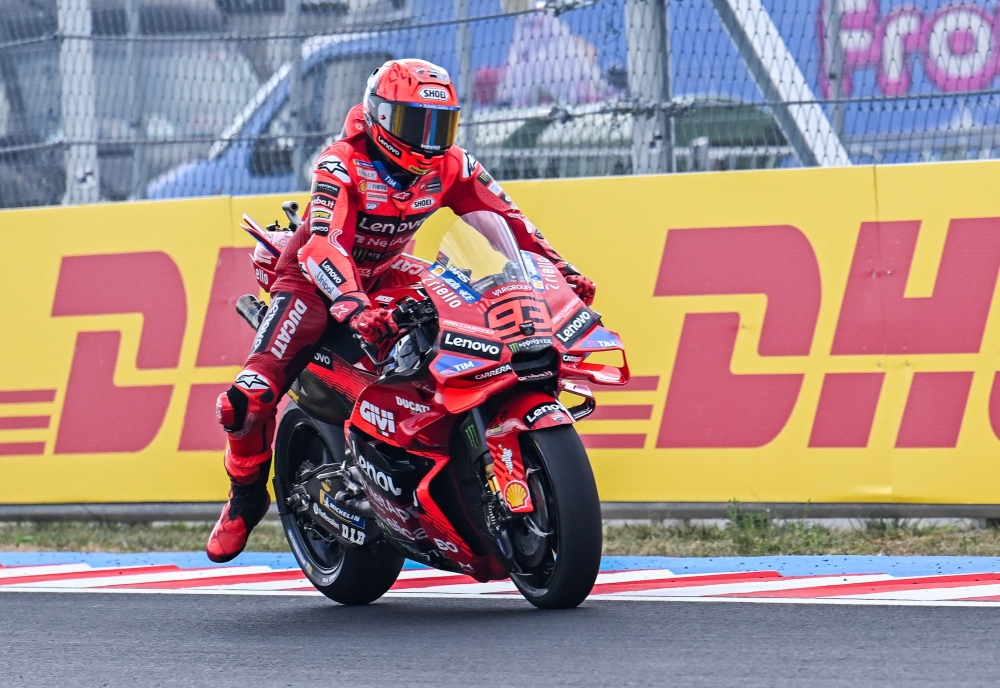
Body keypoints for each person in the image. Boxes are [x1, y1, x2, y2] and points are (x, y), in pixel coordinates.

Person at [206, 58, 597, 563]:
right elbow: (322, 245)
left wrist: (561, 270)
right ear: (381, 118)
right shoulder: (340, 163)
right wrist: (350, 305)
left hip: (390, 271)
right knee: (245, 399)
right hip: (313, 282)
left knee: (468, 305)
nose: (430, 139)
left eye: (442, 125)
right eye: (417, 124)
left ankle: (436, 448)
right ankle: (245, 497)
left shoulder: (450, 164)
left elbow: (510, 222)